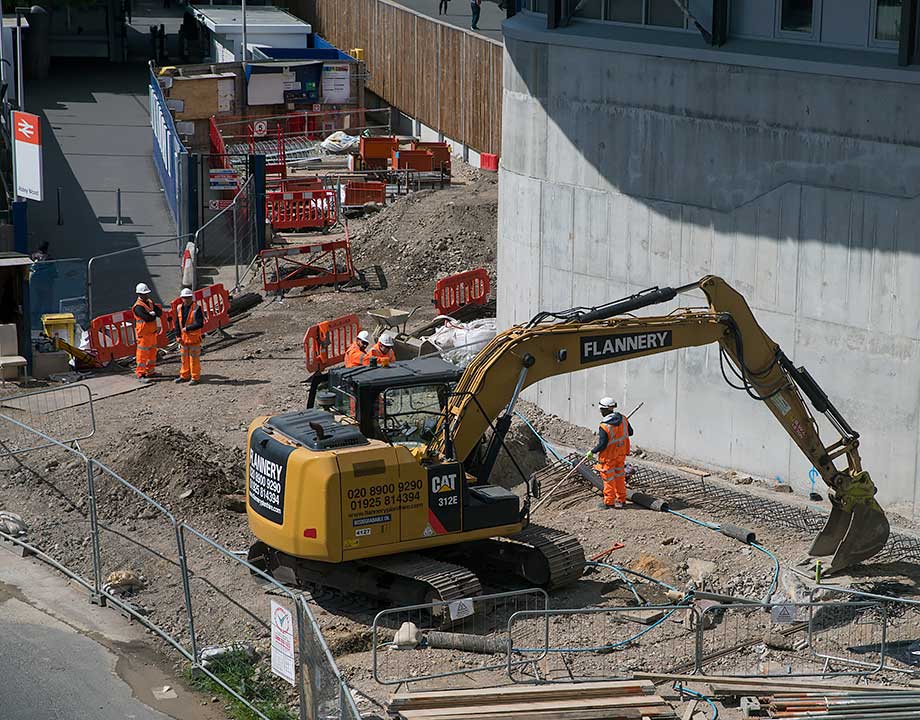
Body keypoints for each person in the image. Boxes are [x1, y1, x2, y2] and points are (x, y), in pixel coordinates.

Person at [587, 396, 634, 509]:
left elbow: (602, 444)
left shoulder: (604, 426)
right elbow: (630, 432)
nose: (600, 412)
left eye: (601, 410)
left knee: (608, 480)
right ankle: (621, 499)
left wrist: (592, 451)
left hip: (608, 457)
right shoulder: (623, 419)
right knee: (619, 477)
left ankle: (609, 502)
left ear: (604, 409)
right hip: (621, 454)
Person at [133, 283, 163, 381]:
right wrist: (152, 315)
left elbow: (159, 312)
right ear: (139, 294)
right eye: (144, 294)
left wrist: (152, 314)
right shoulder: (138, 307)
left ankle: (150, 371)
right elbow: (147, 318)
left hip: (152, 333)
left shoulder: (149, 302)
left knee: (152, 355)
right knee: (142, 356)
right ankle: (141, 374)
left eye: (146, 293)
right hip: (144, 335)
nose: (146, 295)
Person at [175, 287, 204, 385]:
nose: (186, 299)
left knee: (194, 360)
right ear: (181, 298)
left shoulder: (196, 308)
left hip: (193, 339)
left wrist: (188, 328)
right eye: (184, 298)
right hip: (183, 340)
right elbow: (177, 323)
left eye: (188, 297)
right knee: (184, 359)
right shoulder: (179, 308)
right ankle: (184, 376)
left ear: (191, 298)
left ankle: (195, 377)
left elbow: (200, 323)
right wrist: (177, 336)